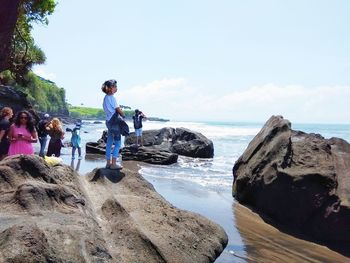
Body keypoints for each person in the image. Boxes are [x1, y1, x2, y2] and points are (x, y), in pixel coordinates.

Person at [102, 79, 124, 170]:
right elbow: (117, 109)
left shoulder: (105, 98)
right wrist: (123, 114)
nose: (116, 88)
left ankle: (108, 163)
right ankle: (114, 163)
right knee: (118, 143)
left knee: (109, 142)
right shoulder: (112, 98)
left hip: (108, 121)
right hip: (114, 122)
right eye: (115, 86)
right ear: (111, 88)